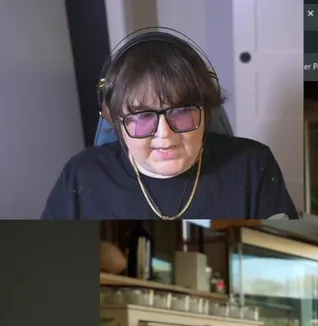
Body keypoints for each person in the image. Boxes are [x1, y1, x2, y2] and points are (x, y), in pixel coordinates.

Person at [41, 29, 297, 220]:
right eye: (142, 117)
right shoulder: (80, 176)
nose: (164, 134)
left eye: (181, 112)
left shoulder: (254, 165)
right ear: (116, 122)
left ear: (207, 113)